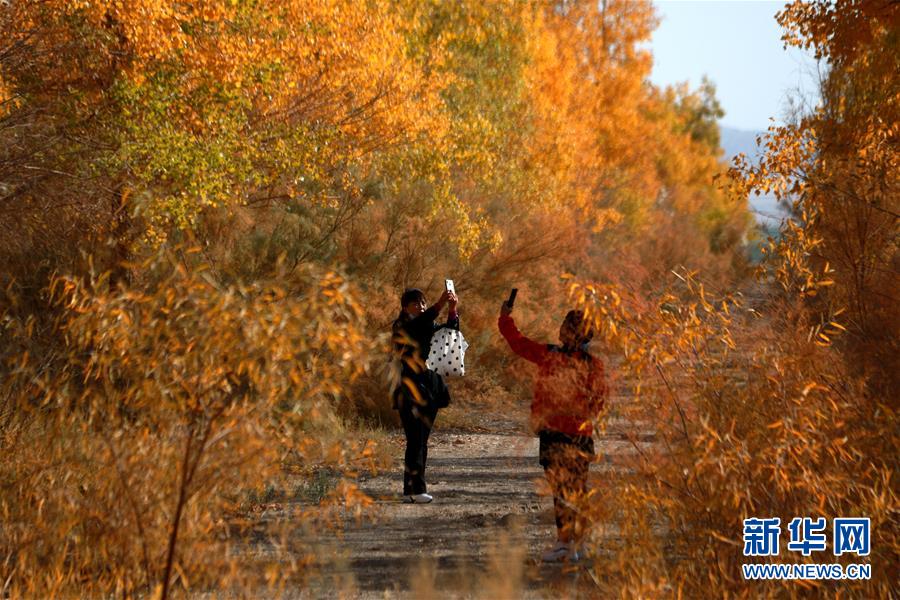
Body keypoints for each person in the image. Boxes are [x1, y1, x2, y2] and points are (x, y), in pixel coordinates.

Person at [498, 302, 607, 562]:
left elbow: (519, 343)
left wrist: (505, 319)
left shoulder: (562, 358)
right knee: (570, 489)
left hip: (564, 433)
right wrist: (505, 319)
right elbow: (599, 403)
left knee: (567, 490)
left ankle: (570, 543)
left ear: (575, 333)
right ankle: (572, 542)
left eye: (567, 327)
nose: (561, 331)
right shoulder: (583, 362)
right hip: (571, 433)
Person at [391, 287, 459, 503]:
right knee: (415, 439)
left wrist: (452, 310)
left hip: (431, 388)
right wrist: (438, 305)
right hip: (411, 388)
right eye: (415, 304)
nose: (420, 307)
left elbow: (451, 333)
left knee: (422, 441)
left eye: (423, 303)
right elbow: (417, 328)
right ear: (405, 308)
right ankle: (414, 490)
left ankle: (414, 489)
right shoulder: (402, 326)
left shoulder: (428, 323)